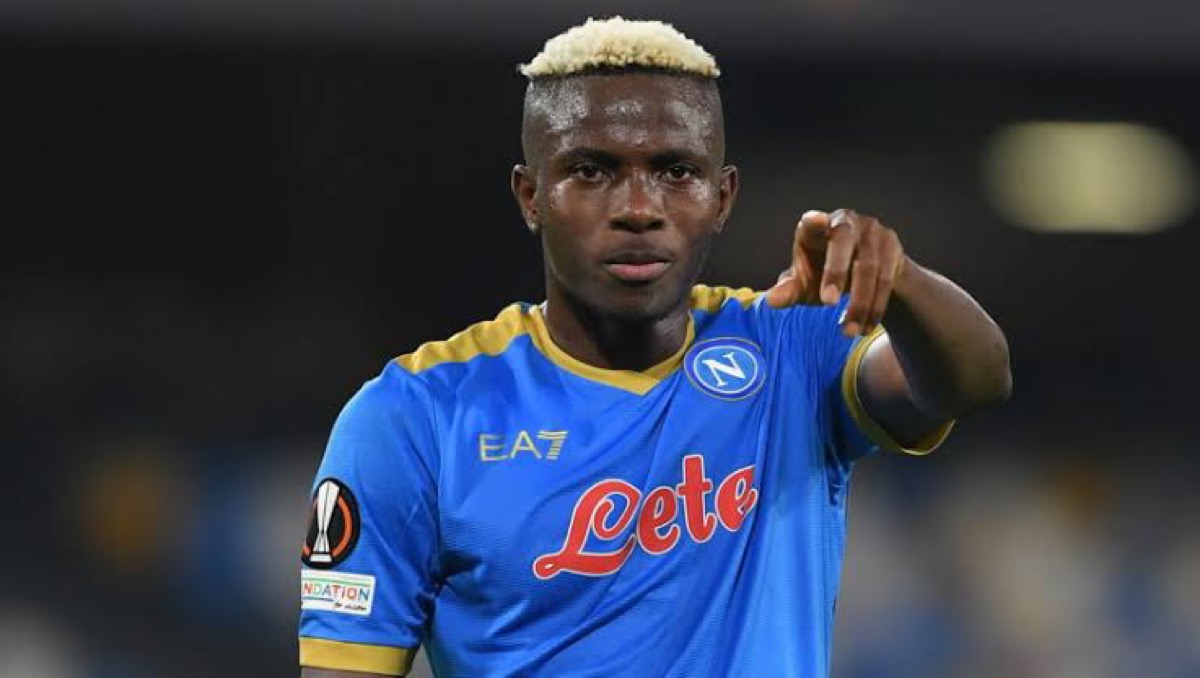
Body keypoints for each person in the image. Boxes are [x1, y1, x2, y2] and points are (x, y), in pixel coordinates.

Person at [297, 16, 1011, 678]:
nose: (639, 209)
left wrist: (900, 281)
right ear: (530, 196)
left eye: (676, 171)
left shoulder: (795, 352)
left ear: (722, 198)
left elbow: (976, 380)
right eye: (591, 171)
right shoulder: (415, 418)